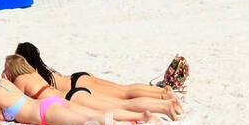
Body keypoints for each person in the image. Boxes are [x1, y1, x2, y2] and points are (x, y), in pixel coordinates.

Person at [2, 53, 181, 118]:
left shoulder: (19, 81)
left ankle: (164, 107)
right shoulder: (33, 73)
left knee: (122, 104)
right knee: (123, 95)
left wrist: (4, 80)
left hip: (71, 96)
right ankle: (164, 100)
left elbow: (15, 101)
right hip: (76, 90)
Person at [0, 73, 143, 125]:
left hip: (44, 114)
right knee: (91, 113)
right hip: (49, 102)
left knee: (89, 120)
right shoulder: (2, 83)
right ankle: (140, 116)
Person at [15, 42, 190, 98]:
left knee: (124, 94)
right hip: (78, 77)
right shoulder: (43, 66)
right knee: (124, 89)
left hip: (78, 85)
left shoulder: (30, 73)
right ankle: (160, 91)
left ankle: (162, 95)